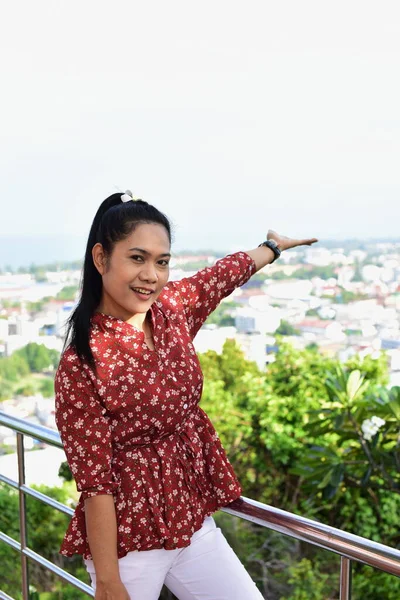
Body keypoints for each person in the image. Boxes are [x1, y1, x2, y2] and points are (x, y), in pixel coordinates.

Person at [54, 191, 318, 600]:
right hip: (128, 541)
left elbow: (222, 275)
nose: (152, 275)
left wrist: (270, 248)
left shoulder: (171, 311)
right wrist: (108, 580)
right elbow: (96, 484)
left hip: (190, 519)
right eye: (137, 258)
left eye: (162, 262)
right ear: (102, 259)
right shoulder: (82, 362)